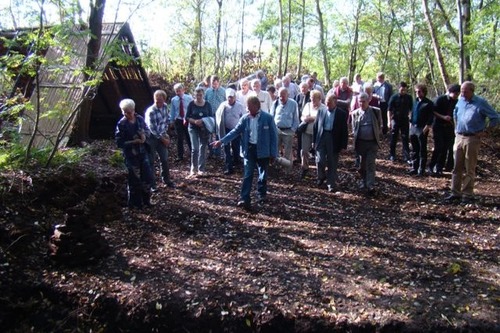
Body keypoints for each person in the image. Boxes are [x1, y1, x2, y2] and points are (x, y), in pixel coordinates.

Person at [211, 96, 278, 210]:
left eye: (249, 106)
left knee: (263, 174)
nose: (247, 108)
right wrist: (221, 141)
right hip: (249, 150)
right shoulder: (245, 118)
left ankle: (261, 193)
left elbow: (274, 136)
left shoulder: (268, 118)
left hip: (263, 150)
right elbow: (235, 131)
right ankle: (244, 198)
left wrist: (273, 153)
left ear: (257, 106)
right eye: (246, 106)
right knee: (248, 174)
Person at [445, 81, 499, 203]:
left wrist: (486, 131)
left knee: (470, 166)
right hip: (459, 136)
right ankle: (455, 193)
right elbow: (455, 113)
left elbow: (495, 117)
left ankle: (467, 194)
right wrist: (455, 128)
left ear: (472, 91)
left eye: (465, 91)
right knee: (456, 166)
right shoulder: (460, 101)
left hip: (472, 138)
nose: (462, 93)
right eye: (462, 91)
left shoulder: (480, 103)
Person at [115, 99, 153, 209]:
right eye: (124, 112)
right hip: (131, 155)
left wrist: (145, 136)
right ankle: (135, 204)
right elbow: (119, 142)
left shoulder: (140, 119)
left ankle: (146, 201)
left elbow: (147, 130)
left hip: (143, 153)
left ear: (133, 110)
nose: (127, 114)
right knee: (134, 179)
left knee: (147, 177)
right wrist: (133, 142)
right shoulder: (121, 124)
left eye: (129, 112)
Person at [313, 94, 348, 192]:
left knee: (332, 162)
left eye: (329, 102)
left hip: (334, 139)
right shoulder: (321, 111)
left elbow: (344, 131)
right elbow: (316, 127)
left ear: (335, 102)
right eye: (326, 102)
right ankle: (321, 177)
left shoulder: (341, 114)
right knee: (320, 160)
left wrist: (343, 145)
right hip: (322, 137)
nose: (327, 104)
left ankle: (331, 184)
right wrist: (313, 141)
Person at [351, 92, 382, 193]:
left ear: (368, 100)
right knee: (362, 165)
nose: (361, 103)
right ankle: (364, 181)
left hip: (372, 143)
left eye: (364, 101)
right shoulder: (355, 113)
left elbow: (379, 124)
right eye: (360, 101)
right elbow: (353, 129)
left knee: (370, 164)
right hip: (360, 143)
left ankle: (370, 185)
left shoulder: (376, 111)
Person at [144, 90, 175, 191]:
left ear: (164, 100)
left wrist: (168, 127)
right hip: (151, 138)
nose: (159, 103)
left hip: (162, 134)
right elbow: (152, 128)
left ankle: (166, 180)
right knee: (151, 161)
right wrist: (163, 139)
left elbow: (167, 119)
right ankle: (152, 184)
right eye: (157, 101)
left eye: (161, 101)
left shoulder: (165, 106)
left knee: (164, 159)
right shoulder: (151, 111)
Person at [428, 84, 460, 176]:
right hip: (438, 125)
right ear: (450, 92)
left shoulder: (457, 102)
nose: (456, 96)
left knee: (446, 148)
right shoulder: (440, 99)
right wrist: (443, 117)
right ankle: (431, 166)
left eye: (457, 94)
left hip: (449, 127)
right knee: (439, 147)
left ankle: (439, 167)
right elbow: (433, 111)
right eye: (455, 94)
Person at [185, 87, 214, 177]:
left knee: (203, 148)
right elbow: (187, 117)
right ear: (194, 95)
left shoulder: (207, 105)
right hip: (193, 128)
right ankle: (193, 169)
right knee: (195, 148)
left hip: (204, 128)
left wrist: (203, 121)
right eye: (197, 95)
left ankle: (201, 169)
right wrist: (194, 121)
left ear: (203, 95)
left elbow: (211, 117)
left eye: (200, 94)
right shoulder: (191, 104)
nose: (199, 96)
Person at [215, 88, 244, 175]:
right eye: (228, 97)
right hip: (225, 129)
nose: (230, 99)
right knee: (226, 148)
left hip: (236, 130)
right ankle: (229, 167)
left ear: (235, 97)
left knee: (236, 147)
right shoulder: (223, 105)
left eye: (231, 97)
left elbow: (243, 117)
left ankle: (237, 162)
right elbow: (218, 116)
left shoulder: (240, 106)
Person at [271, 87, 300, 172]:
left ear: (288, 95)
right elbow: (271, 116)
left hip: (288, 131)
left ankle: (287, 170)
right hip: (277, 129)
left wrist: (293, 130)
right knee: (275, 150)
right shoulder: (275, 103)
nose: (281, 98)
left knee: (288, 151)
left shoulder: (293, 104)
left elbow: (296, 119)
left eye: (283, 96)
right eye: (280, 96)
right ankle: (276, 168)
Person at [408, 84, 434, 176]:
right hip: (413, 128)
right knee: (414, 149)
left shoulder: (428, 103)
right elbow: (412, 114)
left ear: (424, 92)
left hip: (422, 128)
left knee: (422, 149)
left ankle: (421, 169)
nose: (417, 93)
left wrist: (426, 128)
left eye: (419, 91)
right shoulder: (415, 101)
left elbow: (431, 118)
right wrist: (410, 125)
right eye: (416, 92)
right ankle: (414, 167)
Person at [299, 89, 322, 179]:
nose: (312, 100)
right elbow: (303, 117)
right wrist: (307, 118)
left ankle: (319, 172)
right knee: (304, 151)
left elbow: (321, 118)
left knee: (318, 152)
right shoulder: (307, 105)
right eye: (311, 98)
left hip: (318, 134)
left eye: (314, 98)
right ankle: (305, 168)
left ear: (319, 98)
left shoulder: (323, 108)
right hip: (306, 132)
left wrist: (311, 118)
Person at [387, 82, 412, 163]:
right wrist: (389, 121)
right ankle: (392, 155)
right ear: (399, 89)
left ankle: (406, 156)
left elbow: (411, 110)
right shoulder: (394, 97)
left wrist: (411, 120)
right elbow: (389, 110)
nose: (403, 91)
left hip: (405, 120)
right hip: (395, 119)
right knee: (394, 138)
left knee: (405, 138)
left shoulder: (409, 97)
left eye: (405, 90)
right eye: (402, 89)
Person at [170, 83, 193, 162]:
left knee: (189, 136)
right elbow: (173, 111)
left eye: (179, 91)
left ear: (183, 90)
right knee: (179, 138)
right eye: (176, 91)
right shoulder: (174, 100)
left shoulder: (189, 98)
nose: (178, 93)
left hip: (187, 119)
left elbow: (192, 108)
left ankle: (192, 153)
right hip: (178, 120)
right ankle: (180, 155)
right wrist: (171, 120)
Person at [295, 82, 311, 164]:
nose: (303, 89)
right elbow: (296, 107)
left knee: (308, 141)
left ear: (308, 88)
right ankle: (299, 157)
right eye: (301, 88)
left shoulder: (311, 96)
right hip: (300, 121)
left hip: (309, 121)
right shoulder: (298, 96)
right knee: (299, 140)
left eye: (305, 87)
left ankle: (309, 156)